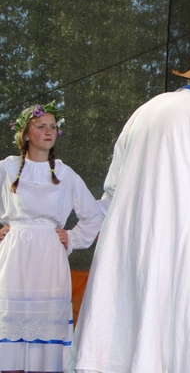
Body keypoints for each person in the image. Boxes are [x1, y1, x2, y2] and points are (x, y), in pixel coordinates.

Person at [67, 39, 190, 373]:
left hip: (124, 235)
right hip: (172, 237)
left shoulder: (147, 108)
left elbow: (112, 183)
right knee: (162, 331)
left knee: (118, 326)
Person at [0, 101, 103, 373]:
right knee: (10, 327)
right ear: (25, 133)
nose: (49, 132)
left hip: (49, 257)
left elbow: (93, 216)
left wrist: (71, 238)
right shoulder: (7, 169)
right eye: (41, 126)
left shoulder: (65, 174)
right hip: (14, 256)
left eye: (53, 127)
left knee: (46, 334)